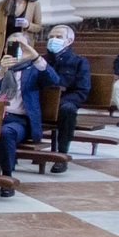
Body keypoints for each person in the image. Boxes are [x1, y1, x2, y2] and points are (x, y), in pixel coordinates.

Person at [0, 32, 60, 194]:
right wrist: (2, 72)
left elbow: (53, 80)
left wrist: (36, 58)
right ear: (5, 49)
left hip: (18, 121)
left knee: (5, 133)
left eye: (21, 45)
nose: (16, 49)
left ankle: (6, 179)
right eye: (12, 45)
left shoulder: (33, 71)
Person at [43, 24, 90, 172]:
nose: (53, 40)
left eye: (58, 37)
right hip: (43, 100)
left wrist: (58, 102)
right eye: (51, 37)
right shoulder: (42, 60)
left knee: (67, 110)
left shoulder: (79, 62)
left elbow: (82, 90)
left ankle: (61, 155)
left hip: (65, 101)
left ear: (69, 41)